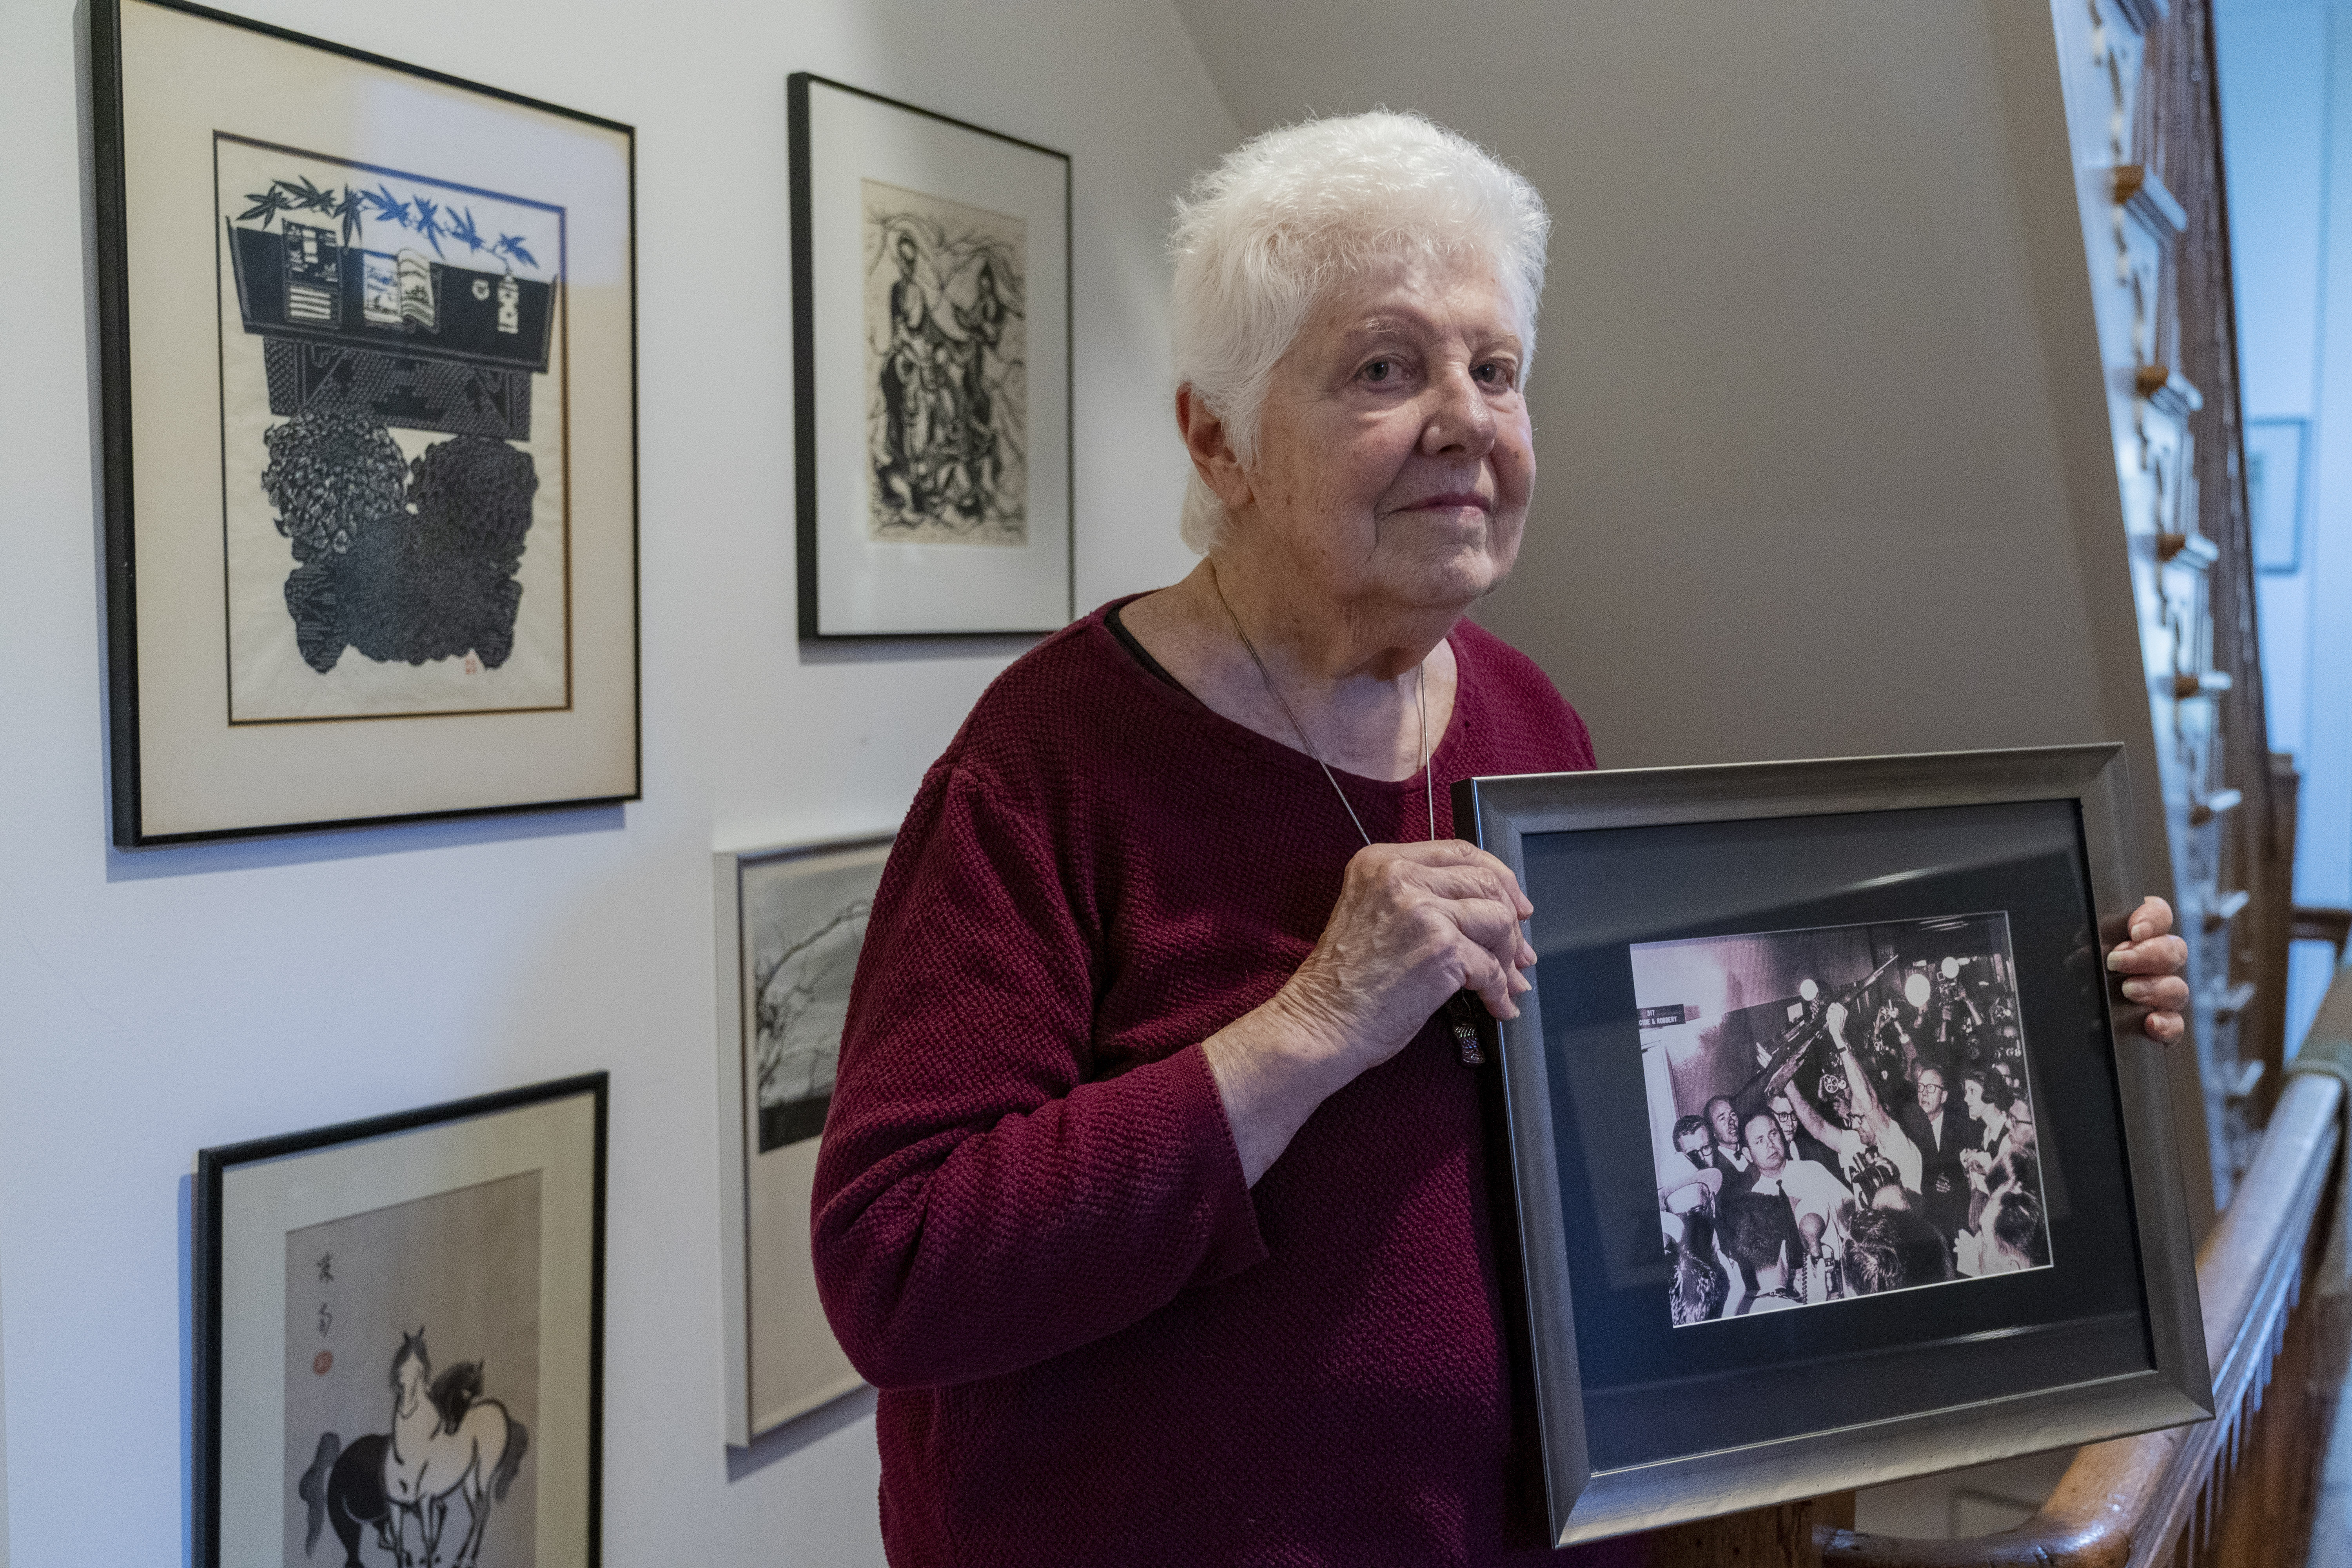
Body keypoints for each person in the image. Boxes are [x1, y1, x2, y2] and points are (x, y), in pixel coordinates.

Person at [810, 110, 2193, 1566]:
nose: (1465, 418)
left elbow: (1656, 1120)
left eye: (1497, 368)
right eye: (1385, 367)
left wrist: (2041, 1016)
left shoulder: (1530, 718)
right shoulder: (1046, 762)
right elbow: (897, 1263)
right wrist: (1313, 1022)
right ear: (1215, 436)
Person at [1899, 1064, 1973, 1245]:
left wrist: (1954, 1184)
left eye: (1931, 1088)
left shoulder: (1963, 1127)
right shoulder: (1906, 1129)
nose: (1924, 1094)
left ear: (1944, 1096)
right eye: (1921, 1087)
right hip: (1923, 1223)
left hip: (1958, 1224)